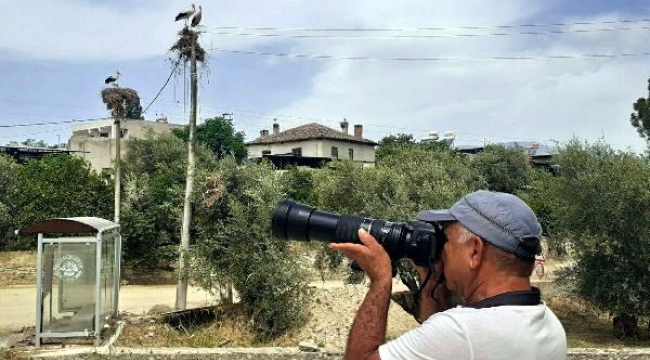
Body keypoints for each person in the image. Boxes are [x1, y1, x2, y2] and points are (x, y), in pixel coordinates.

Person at [330, 190, 567, 360]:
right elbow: (438, 336)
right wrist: (431, 280)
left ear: (475, 250)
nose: (441, 249)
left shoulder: (461, 331)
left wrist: (380, 280)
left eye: (447, 241)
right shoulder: (551, 326)